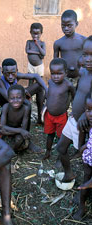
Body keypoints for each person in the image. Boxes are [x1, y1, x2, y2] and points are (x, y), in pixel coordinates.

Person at [56, 36, 92, 182]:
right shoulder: (83, 72)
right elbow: (79, 93)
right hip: (74, 119)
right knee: (60, 148)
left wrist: (85, 114)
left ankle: (84, 190)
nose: (88, 59)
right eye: (85, 54)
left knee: (87, 162)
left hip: (85, 124)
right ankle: (68, 173)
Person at [0, 58, 48, 124]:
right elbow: (8, 98)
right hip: (7, 105)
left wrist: (47, 90)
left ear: (17, 71)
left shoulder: (17, 75)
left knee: (40, 87)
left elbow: (36, 76)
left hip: (18, 98)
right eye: (7, 74)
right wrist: (22, 91)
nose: (10, 76)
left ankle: (40, 119)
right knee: (25, 102)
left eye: (13, 73)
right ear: (2, 72)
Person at [43, 58, 75, 160]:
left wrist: (74, 110)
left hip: (61, 116)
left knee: (61, 137)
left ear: (65, 73)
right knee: (50, 134)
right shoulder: (50, 82)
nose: (55, 76)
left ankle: (60, 157)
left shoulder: (68, 85)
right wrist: (45, 105)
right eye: (53, 73)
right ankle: (48, 152)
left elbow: (74, 97)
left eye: (59, 73)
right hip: (49, 115)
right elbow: (49, 95)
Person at [0, 84, 38, 153]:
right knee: (1, 132)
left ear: (24, 98)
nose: (15, 100)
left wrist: (20, 131)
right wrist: (19, 130)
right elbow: (2, 126)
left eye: (19, 97)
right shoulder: (6, 107)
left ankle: (12, 151)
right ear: (8, 99)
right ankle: (6, 149)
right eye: (12, 98)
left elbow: (24, 129)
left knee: (19, 139)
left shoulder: (25, 109)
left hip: (12, 131)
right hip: (7, 131)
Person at [53, 9, 86, 86]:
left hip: (81, 77)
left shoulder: (83, 40)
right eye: (63, 26)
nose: (66, 28)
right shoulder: (58, 43)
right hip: (65, 79)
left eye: (69, 25)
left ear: (76, 24)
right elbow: (55, 64)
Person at [73, 97, 92, 220]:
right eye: (88, 110)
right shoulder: (87, 123)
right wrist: (83, 148)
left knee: (87, 184)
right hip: (89, 160)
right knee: (85, 182)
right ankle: (82, 207)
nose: (90, 114)